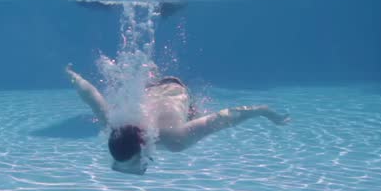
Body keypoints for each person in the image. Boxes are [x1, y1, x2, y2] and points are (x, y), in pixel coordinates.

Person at [65, 64, 290, 175]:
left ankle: (153, 73)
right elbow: (92, 96)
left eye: (137, 162)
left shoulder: (176, 140)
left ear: (143, 146)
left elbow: (223, 118)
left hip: (177, 88)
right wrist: (72, 76)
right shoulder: (114, 124)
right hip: (156, 90)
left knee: (194, 114)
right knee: (146, 90)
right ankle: (150, 70)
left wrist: (262, 110)